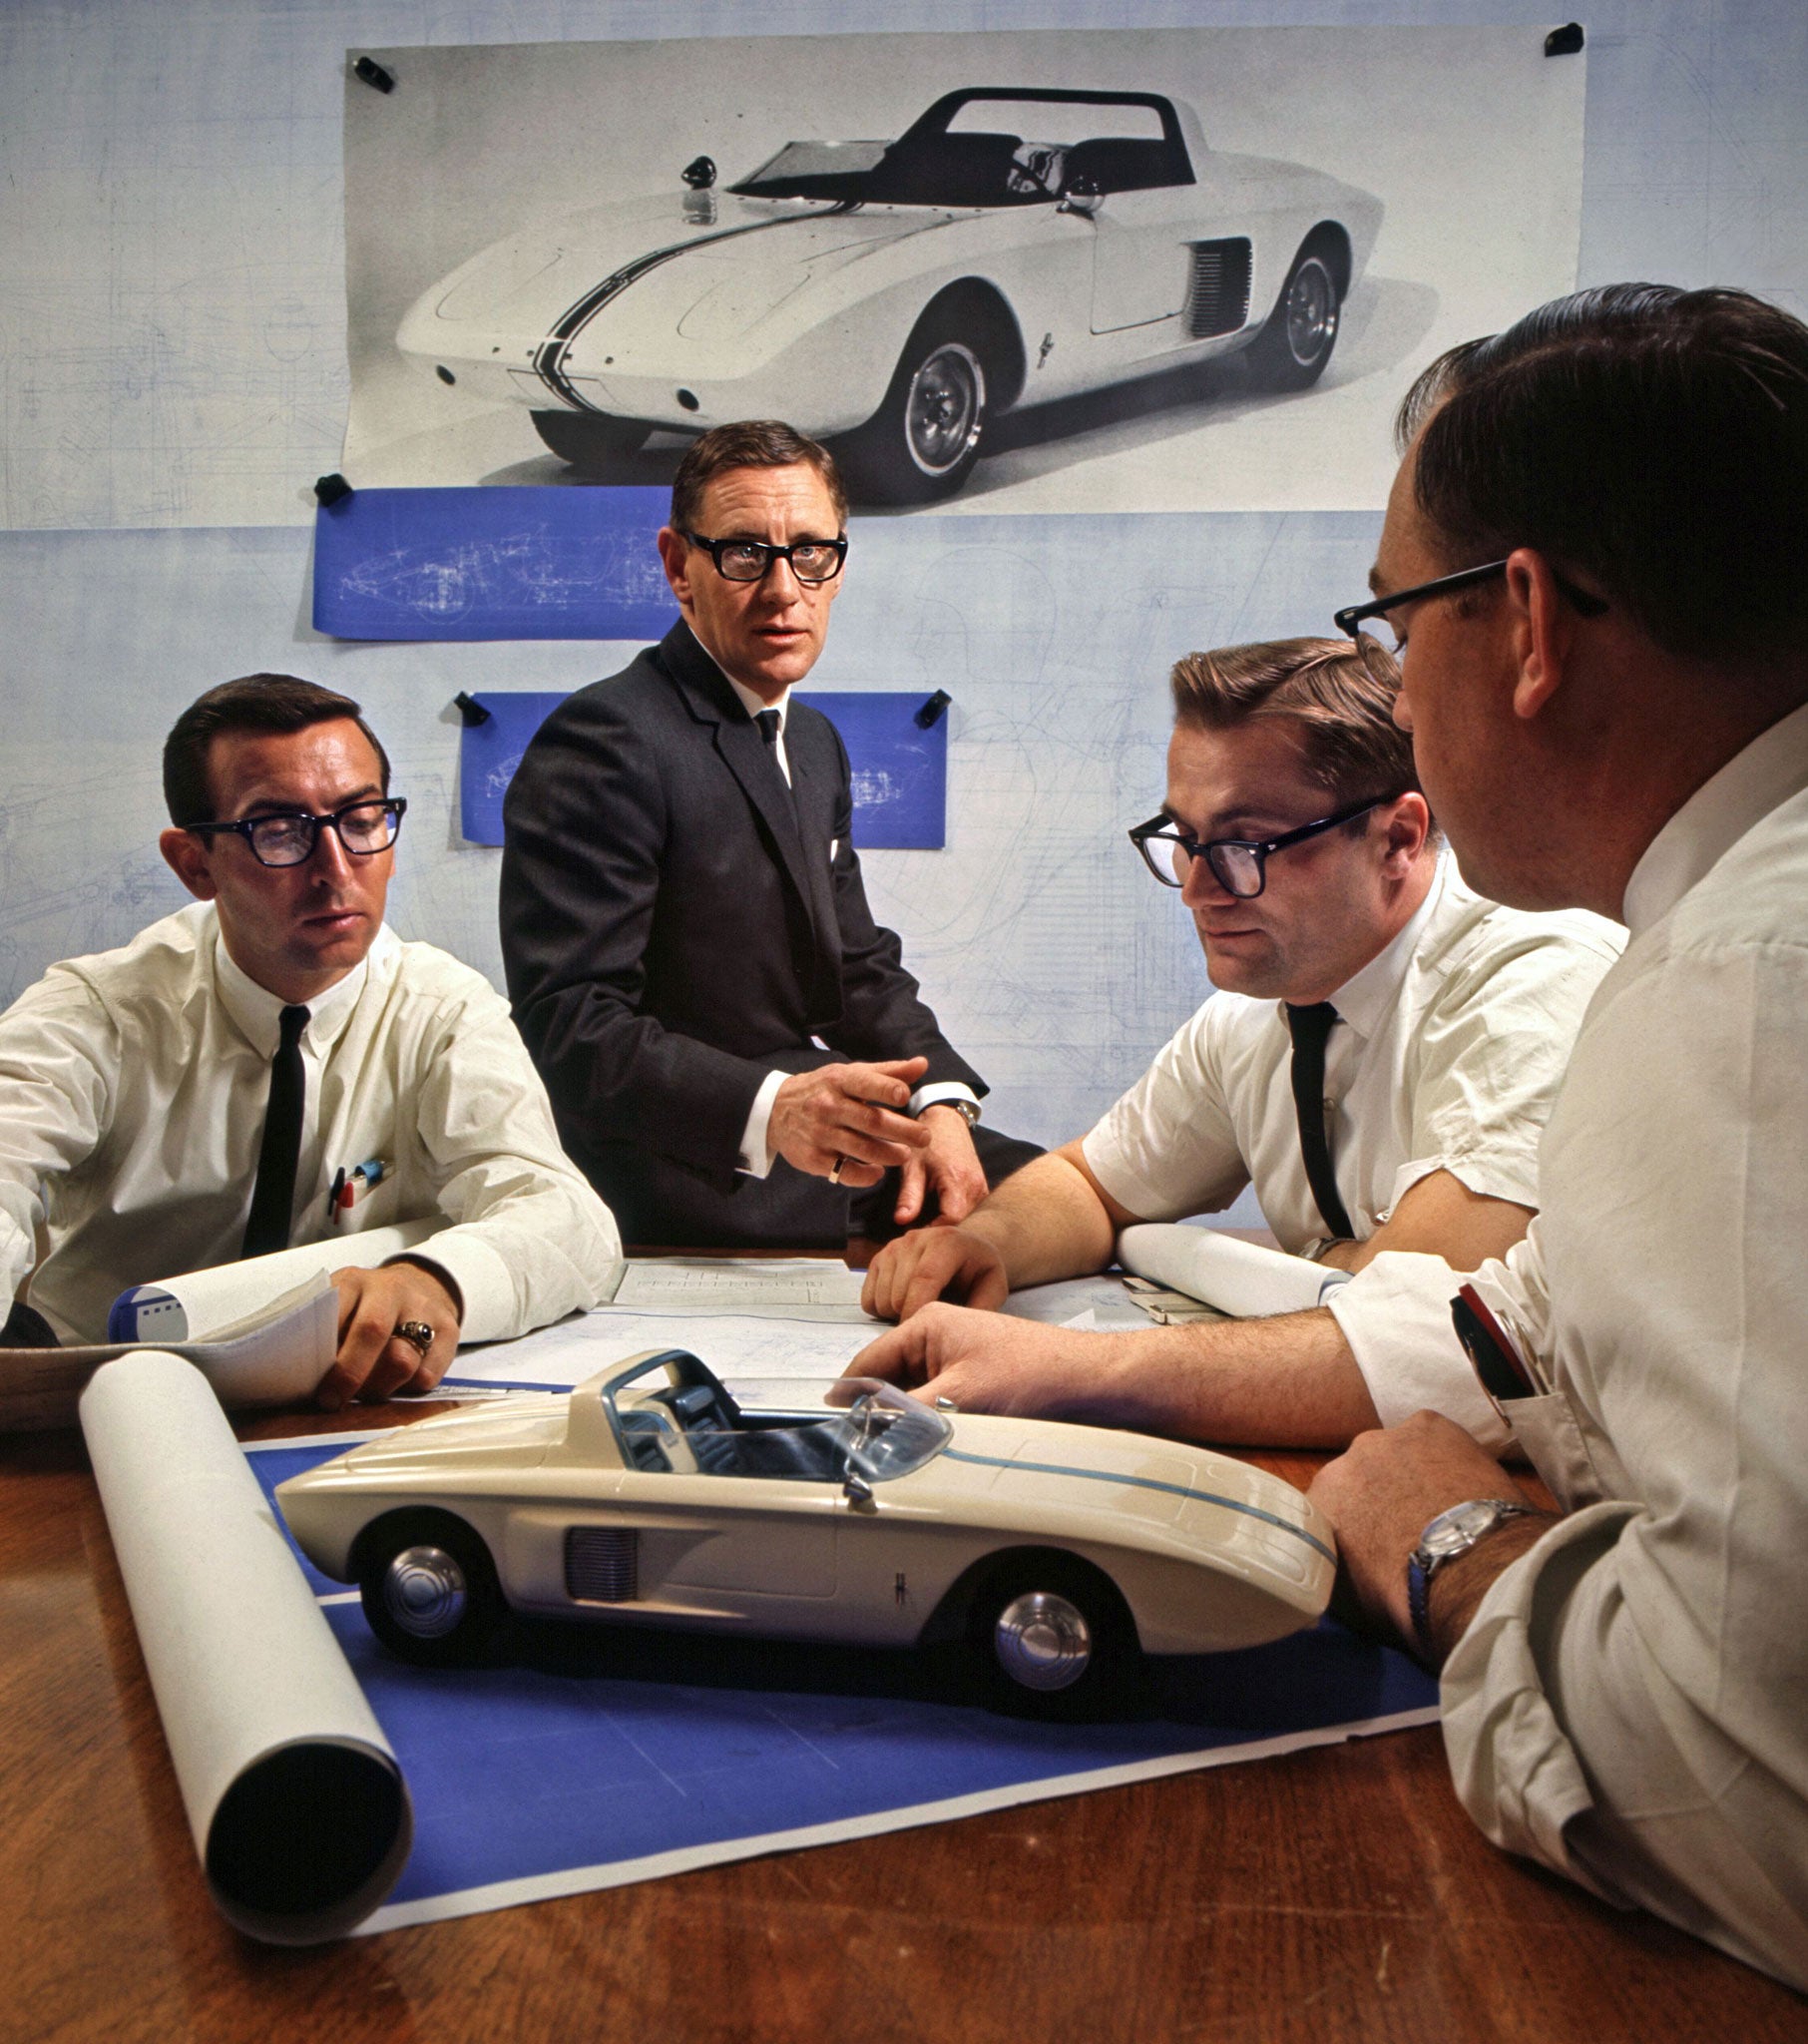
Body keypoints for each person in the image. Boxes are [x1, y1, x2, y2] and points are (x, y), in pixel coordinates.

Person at [1302, 283, 1808, 1987]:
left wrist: (1451, 1547)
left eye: (1393, 622)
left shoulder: (1743, 976)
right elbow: (1533, 1317)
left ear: (1521, 619)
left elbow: (1746, 1788)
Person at [849, 638, 1618, 1448]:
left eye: (1245, 844)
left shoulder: (1536, 969)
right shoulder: (1258, 1007)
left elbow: (1430, 1329)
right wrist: (981, 1243)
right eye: (1184, 835)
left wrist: (1069, 1366)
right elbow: (1090, 1186)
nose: (1194, 885)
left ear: (1397, 837)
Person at [0, 676, 620, 1406]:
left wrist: (438, 1280)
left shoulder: (443, 1011)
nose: (335, 869)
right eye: (280, 831)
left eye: (360, 818)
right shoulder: (97, 1011)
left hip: (347, 1406)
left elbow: (568, 1220)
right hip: (102, 1407)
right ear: (195, 864)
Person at [500, 418, 1038, 1250]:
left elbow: (856, 967)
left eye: (811, 553)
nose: (785, 590)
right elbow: (571, 1027)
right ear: (679, 567)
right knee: (1002, 1245)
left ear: (838, 565)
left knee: (1072, 1202)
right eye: (745, 553)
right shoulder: (605, 740)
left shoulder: (814, 742)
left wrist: (940, 1102)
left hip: (823, 1136)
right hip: (689, 1174)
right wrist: (775, 1109)